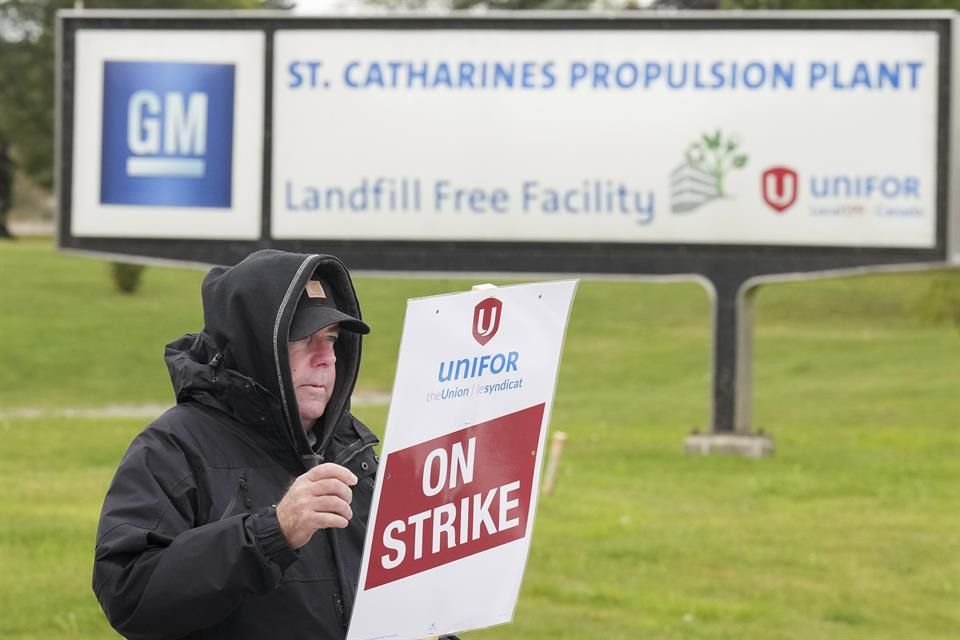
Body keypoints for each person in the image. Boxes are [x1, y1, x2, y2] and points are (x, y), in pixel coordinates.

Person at [93, 249, 380, 639]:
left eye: (331, 339)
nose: (326, 358)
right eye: (304, 339)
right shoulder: (173, 447)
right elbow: (128, 593)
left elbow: (400, 594)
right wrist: (271, 534)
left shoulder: (355, 450)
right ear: (255, 345)